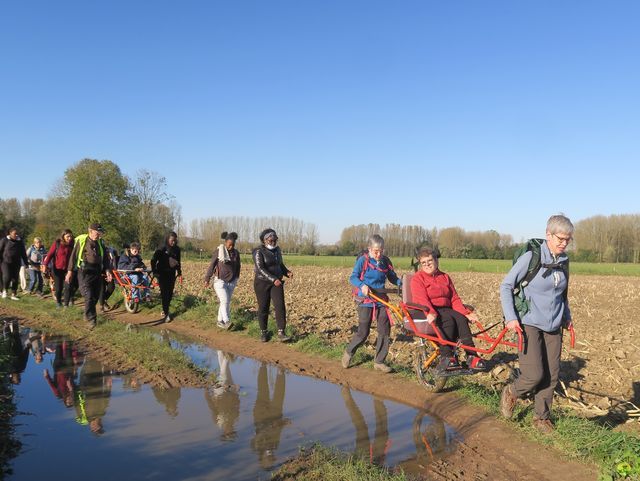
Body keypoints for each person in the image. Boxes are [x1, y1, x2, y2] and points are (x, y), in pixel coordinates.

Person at [499, 214, 574, 435]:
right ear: (548, 235)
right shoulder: (532, 257)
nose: (564, 243)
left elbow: (563, 294)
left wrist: (567, 317)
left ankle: (541, 418)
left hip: (554, 324)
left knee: (552, 374)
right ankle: (511, 392)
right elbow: (506, 286)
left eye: (568, 239)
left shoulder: (564, 261)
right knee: (534, 375)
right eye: (560, 238)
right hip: (529, 322)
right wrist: (511, 317)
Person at [409, 247, 486, 371]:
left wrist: (465, 313)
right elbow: (421, 298)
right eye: (423, 263)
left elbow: (454, 298)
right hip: (429, 309)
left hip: (446, 308)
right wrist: (431, 312)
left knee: (460, 318)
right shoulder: (418, 279)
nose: (427, 264)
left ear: (436, 261)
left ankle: (471, 355)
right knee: (447, 319)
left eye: (429, 261)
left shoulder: (445, 277)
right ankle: (447, 356)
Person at [343, 235, 401, 373]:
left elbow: (392, 277)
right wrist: (362, 285)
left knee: (384, 330)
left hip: (381, 300)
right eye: (376, 251)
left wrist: (401, 284)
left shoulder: (385, 261)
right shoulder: (363, 261)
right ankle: (349, 352)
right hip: (365, 300)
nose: (379, 254)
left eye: (381, 250)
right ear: (369, 249)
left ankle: (379, 362)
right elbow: (353, 277)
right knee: (363, 332)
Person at [66, 223, 113, 328]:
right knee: (89, 296)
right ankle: (91, 320)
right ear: (90, 231)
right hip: (84, 272)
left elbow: (105, 258)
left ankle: (87, 315)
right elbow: (73, 257)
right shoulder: (82, 241)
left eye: (100, 233)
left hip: (97, 271)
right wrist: (69, 272)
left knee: (96, 296)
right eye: (97, 232)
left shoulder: (100, 243)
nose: (99, 235)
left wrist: (108, 271)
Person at [252, 228, 293, 342]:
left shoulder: (277, 250)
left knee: (280, 306)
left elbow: (280, 264)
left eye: (275, 240)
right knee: (263, 308)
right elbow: (260, 268)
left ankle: (281, 332)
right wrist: (273, 279)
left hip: (277, 283)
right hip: (262, 283)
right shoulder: (258, 251)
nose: (274, 242)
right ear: (265, 240)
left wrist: (287, 272)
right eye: (271, 240)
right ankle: (264, 332)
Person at [204, 232, 241, 329]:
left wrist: (236, 277)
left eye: (233, 244)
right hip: (220, 281)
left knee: (226, 302)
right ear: (225, 242)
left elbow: (238, 266)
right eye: (229, 244)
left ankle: (219, 321)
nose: (231, 246)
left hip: (232, 281)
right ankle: (227, 321)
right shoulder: (218, 251)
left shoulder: (236, 253)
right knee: (224, 300)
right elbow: (212, 265)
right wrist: (207, 279)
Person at [151, 232, 181, 323]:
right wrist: (154, 271)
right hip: (162, 273)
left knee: (170, 293)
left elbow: (178, 261)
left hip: (171, 274)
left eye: (175, 241)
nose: (173, 242)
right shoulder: (161, 248)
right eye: (172, 240)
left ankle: (164, 310)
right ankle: (166, 313)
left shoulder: (177, 249)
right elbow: (153, 260)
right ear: (168, 239)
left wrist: (179, 271)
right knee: (165, 293)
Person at [42, 229, 76, 308]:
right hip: (57, 269)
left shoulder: (72, 244)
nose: (69, 238)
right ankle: (58, 302)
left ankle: (69, 301)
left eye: (71, 236)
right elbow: (49, 255)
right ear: (63, 236)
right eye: (68, 236)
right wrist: (45, 265)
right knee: (59, 287)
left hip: (68, 269)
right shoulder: (57, 244)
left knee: (69, 285)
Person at [0, 227, 29, 301]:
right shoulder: (4, 240)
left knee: (15, 279)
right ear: (10, 233)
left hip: (16, 262)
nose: (16, 235)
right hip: (5, 262)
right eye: (14, 234)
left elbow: (23, 253)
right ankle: (5, 291)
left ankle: (13, 294)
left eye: (17, 234)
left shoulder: (20, 242)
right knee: (7, 276)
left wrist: (26, 263)